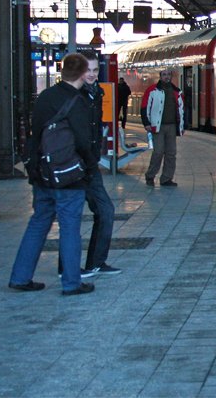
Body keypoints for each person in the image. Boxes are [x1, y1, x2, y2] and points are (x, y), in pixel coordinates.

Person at [8, 53, 96, 296]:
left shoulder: (46, 97)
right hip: (67, 175)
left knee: (38, 224)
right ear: (81, 74)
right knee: (69, 227)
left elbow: (36, 134)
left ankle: (20, 276)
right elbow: (82, 141)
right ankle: (71, 283)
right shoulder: (77, 101)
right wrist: (89, 166)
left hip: (41, 172)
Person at [79, 54, 120, 277]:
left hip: (89, 164)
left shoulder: (97, 93)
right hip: (73, 165)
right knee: (70, 216)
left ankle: (96, 262)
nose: (92, 74)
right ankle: (67, 268)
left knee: (105, 210)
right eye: (88, 70)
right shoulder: (74, 96)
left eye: (95, 70)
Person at [141, 69, 184, 187]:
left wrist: (182, 125)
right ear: (160, 76)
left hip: (172, 126)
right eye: (164, 75)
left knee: (171, 153)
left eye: (168, 75)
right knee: (158, 152)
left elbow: (181, 110)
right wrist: (146, 123)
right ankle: (150, 175)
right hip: (157, 126)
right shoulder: (152, 90)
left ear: (171, 76)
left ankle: (166, 178)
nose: (166, 77)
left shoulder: (177, 91)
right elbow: (144, 107)